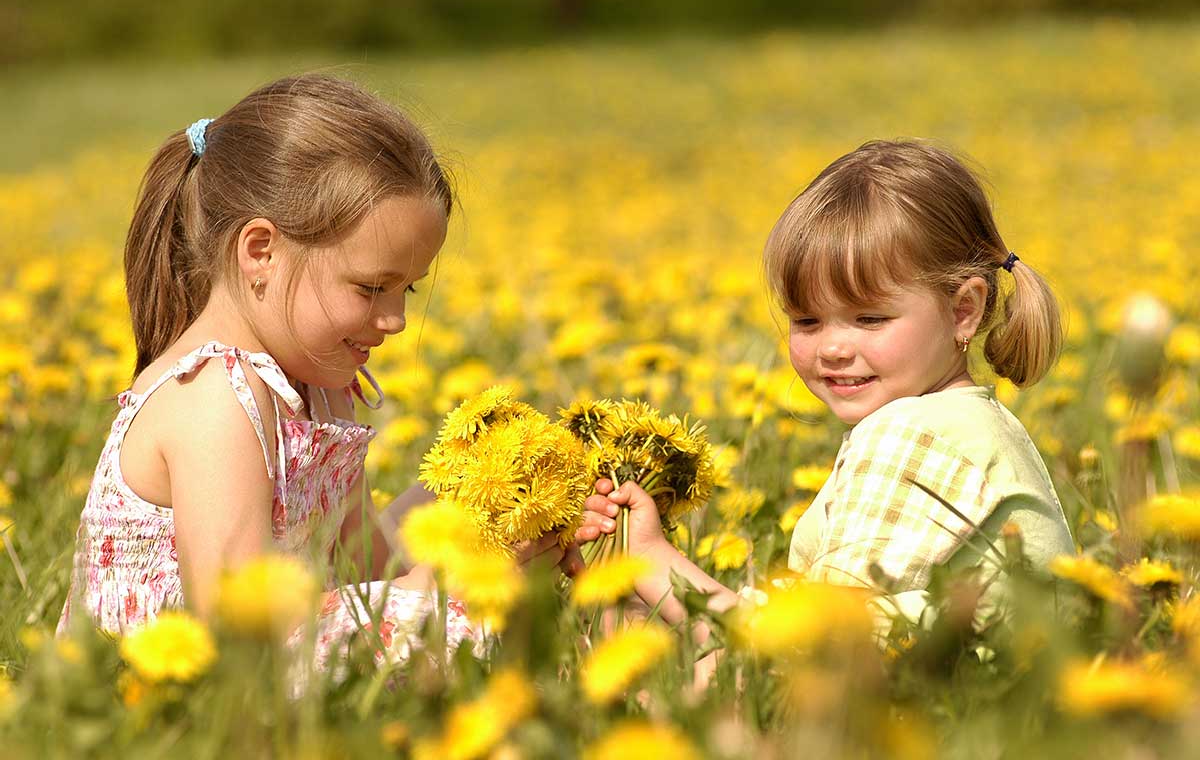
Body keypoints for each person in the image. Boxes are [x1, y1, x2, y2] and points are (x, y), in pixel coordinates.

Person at [57, 74, 566, 669]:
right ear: (261, 252)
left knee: (483, 572)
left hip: (290, 658)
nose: (397, 319)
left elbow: (359, 565)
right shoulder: (216, 401)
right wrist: (441, 592)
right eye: (372, 288)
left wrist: (482, 521)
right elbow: (237, 632)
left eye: (408, 289)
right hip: (164, 699)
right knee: (472, 624)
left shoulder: (318, 385)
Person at [575, 139, 1075, 646]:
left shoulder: (914, 437)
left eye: (870, 318)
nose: (833, 347)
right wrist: (643, 576)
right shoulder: (968, 425)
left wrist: (654, 563)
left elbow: (812, 647)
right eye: (807, 320)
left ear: (963, 310)